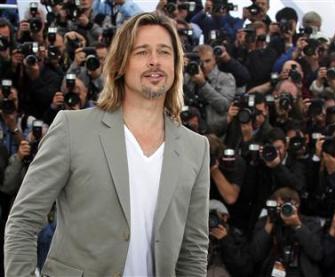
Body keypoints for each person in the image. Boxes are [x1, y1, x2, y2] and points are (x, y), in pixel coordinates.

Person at [4, 12, 210, 276]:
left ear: (176, 65)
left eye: (165, 52)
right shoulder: (72, 128)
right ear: (121, 64)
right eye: (142, 52)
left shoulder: (196, 148)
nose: (155, 62)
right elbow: (23, 221)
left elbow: (193, 250)